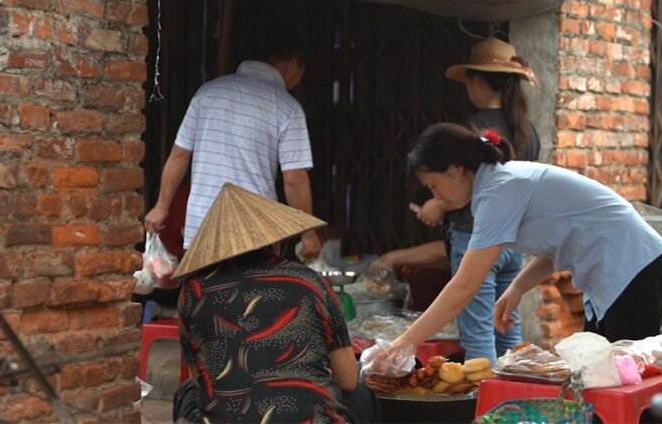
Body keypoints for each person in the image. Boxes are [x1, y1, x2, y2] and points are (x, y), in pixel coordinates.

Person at [380, 122, 662, 366]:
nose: (436, 196)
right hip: (621, 273)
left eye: (433, 185)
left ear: (456, 169)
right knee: (601, 380)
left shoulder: (497, 191)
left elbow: (465, 285)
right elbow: (557, 247)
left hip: (633, 268)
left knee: (628, 382)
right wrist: (518, 287)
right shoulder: (497, 184)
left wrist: (407, 340)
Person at [378, 38, 540, 364]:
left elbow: (469, 188)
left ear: (477, 80)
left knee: (478, 330)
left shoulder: (476, 131)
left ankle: (483, 409)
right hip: (514, 243)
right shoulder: (527, 129)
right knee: (506, 324)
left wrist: (436, 203)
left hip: (477, 239)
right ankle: (515, 398)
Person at [172, 183, 378, 423]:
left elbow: (200, 378)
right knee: (362, 395)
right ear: (274, 241)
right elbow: (347, 379)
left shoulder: (192, 291)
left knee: (186, 392)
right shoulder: (310, 281)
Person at [144, 27, 322, 260]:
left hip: (201, 229)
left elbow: (179, 156)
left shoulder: (207, 93)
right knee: (249, 297)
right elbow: (294, 179)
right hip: (253, 234)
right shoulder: (287, 108)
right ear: (291, 64)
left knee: (206, 295)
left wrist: (161, 207)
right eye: (301, 72)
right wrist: (308, 233)